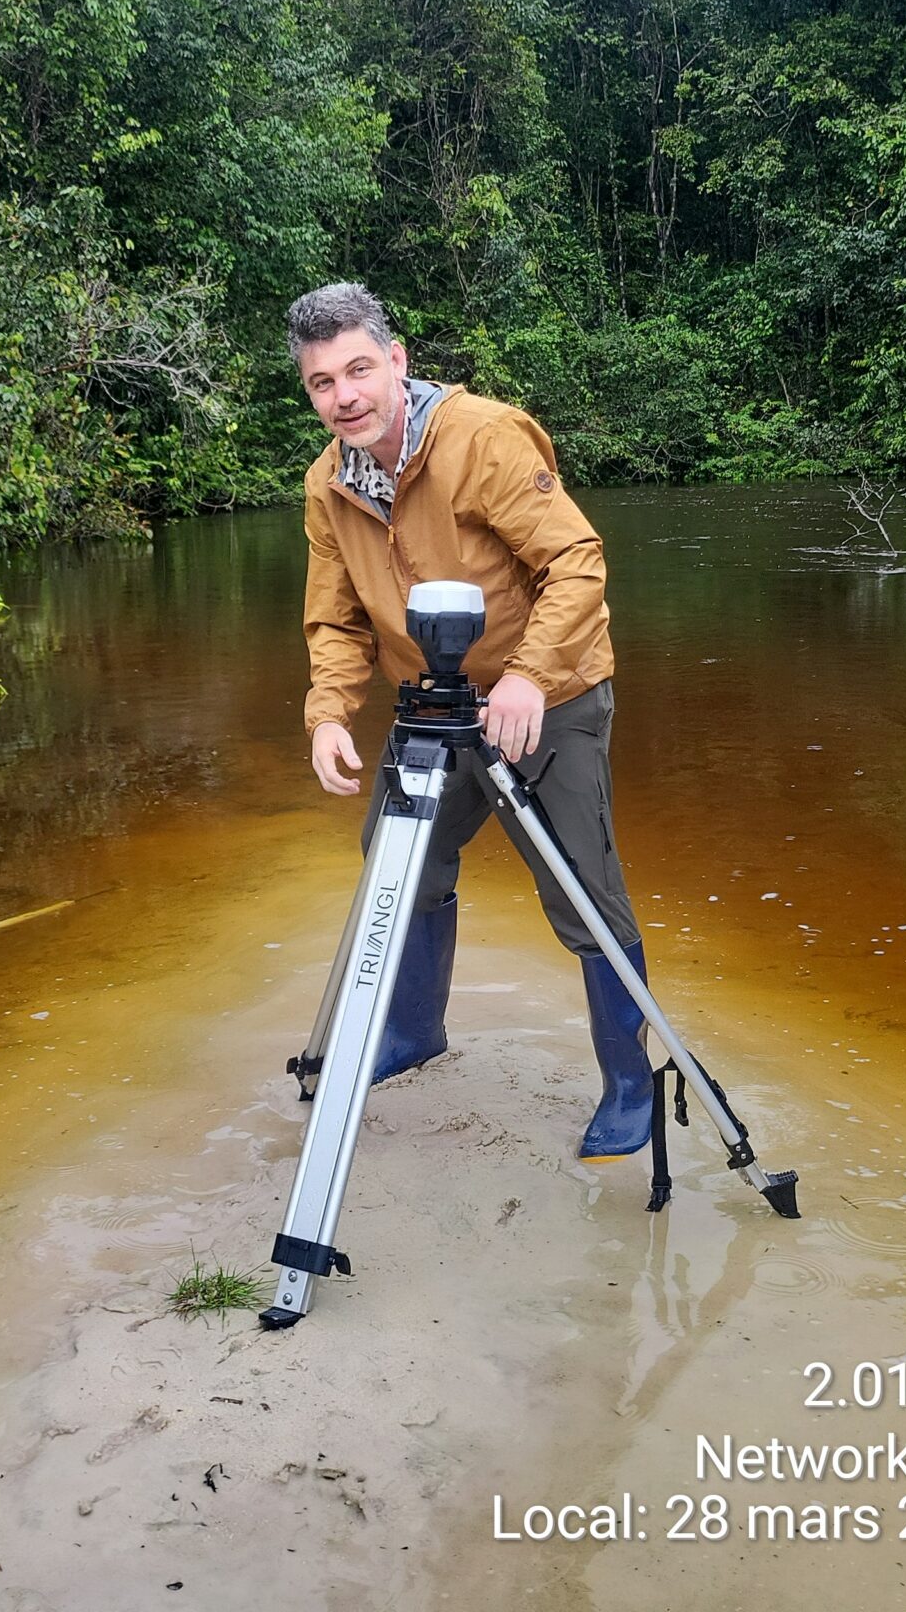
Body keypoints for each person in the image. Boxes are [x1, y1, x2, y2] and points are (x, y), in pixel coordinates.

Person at [291, 280, 654, 1161]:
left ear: (397, 361)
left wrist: (528, 678)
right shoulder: (328, 485)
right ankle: (415, 1032)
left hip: (549, 695)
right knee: (397, 864)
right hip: (433, 704)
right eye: (323, 382)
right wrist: (328, 714)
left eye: (360, 370)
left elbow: (577, 562)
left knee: (581, 890)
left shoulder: (483, 437)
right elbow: (337, 619)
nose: (346, 396)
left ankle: (630, 1083)